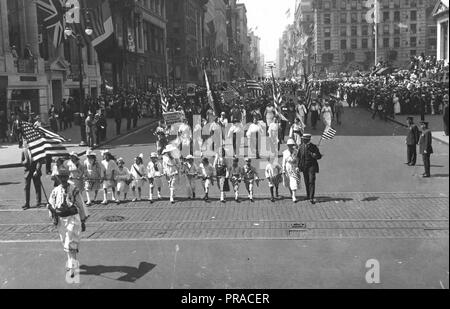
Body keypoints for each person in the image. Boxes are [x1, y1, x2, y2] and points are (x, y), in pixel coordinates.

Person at [47, 166, 89, 278]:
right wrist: (52, 213)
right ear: (58, 178)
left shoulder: (74, 189)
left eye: (65, 176)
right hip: (61, 220)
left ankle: (72, 267)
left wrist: (83, 220)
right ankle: (70, 261)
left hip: (72, 219)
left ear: (68, 176)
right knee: (64, 241)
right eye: (61, 177)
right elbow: (51, 205)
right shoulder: (55, 191)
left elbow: (80, 204)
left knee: (70, 242)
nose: (63, 179)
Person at [298, 134, 322, 204]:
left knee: (311, 181)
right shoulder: (301, 146)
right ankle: (308, 195)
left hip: (312, 166)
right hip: (304, 166)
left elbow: (319, 156)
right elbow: (299, 157)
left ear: (308, 139)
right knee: (306, 181)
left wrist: (315, 155)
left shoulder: (313, 147)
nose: (303, 140)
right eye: (303, 139)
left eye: (304, 139)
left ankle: (311, 197)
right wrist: (298, 165)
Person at [21, 141, 43, 210]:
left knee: (37, 187)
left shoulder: (36, 150)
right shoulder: (24, 151)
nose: (27, 144)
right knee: (26, 187)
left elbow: (39, 161)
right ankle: (27, 203)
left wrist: (37, 170)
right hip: (27, 171)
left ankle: (38, 202)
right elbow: (21, 161)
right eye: (26, 143)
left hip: (35, 171)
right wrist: (25, 161)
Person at [282, 139, 300, 203]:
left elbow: (298, 160)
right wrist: (283, 169)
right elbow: (284, 162)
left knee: (294, 181)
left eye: (291, 145)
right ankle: (292, 194)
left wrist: (298, 167)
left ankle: (294, 196)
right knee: (289, 182)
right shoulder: (285, 152)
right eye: (289, 145)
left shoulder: (296, 151)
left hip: (294, 168)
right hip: (287, 168)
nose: (290, 146)